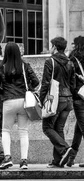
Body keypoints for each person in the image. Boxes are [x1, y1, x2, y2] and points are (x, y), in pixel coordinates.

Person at [0, 42, 40, 170]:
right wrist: (28, 89)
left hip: (8, 101)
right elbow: (36, 81)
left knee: (5, 131)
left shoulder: (1, 67)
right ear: (17, 52)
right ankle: (24, 161)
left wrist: (5, 92)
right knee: (23, 131)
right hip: (23, 101)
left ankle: (8, 158)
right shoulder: (25, 65)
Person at [41, 36, 77, 168]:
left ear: (55, 47)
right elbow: (73, 84)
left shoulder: (50, 61)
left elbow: (45, 83)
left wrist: (41, 100)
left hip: (57, 100)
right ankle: (57, 160)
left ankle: (64, 149)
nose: (51, 49)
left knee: (46, 127)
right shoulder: (70, 62)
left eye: (51, 46)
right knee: (58, 128)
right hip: (68, 101)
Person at [67, 36, 84, 167]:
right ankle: (71, 158)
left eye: (73, 43)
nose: (72, 45)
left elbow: (69, 79)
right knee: (78, 129)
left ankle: (70, 157)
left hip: (79, 97)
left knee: (82, 128)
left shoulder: (73, 59)